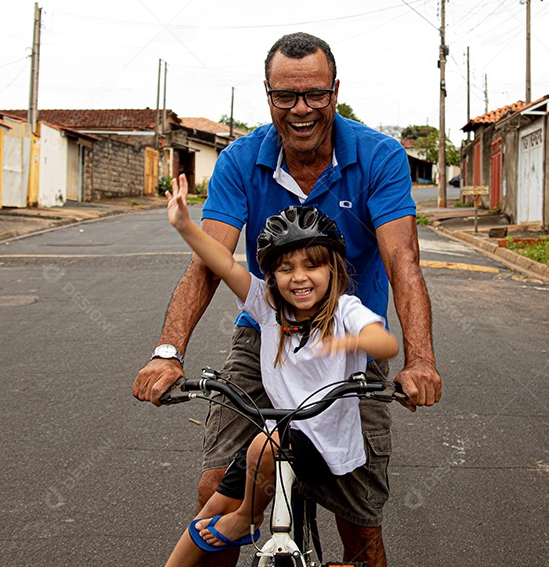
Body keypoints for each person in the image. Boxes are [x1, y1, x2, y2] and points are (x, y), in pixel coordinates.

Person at [134, 31, 442, 567]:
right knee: (215, 488)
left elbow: (403, 263)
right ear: (268, 94)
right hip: (266, 337)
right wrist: (167, 352)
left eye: (315, 94)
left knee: (361, 526)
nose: (301, 109)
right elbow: (211, 264)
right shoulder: (239, 160)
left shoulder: (380, 157)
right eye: (286, 96)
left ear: (335, 91)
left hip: (346, 345)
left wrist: (419, 361)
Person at [162, 182, 399, 566]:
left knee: (262, 445)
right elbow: (222, 263)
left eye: (312, 265)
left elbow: (386, 344)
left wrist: (349, 343)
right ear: (271, 276)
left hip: (325, 447)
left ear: (333, 267)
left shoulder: (345, 311)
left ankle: (246, 519)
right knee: (206, 515)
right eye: (285, 268)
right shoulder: (268, 307)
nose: (299, 277)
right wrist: (184, 226)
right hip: (275, 442)